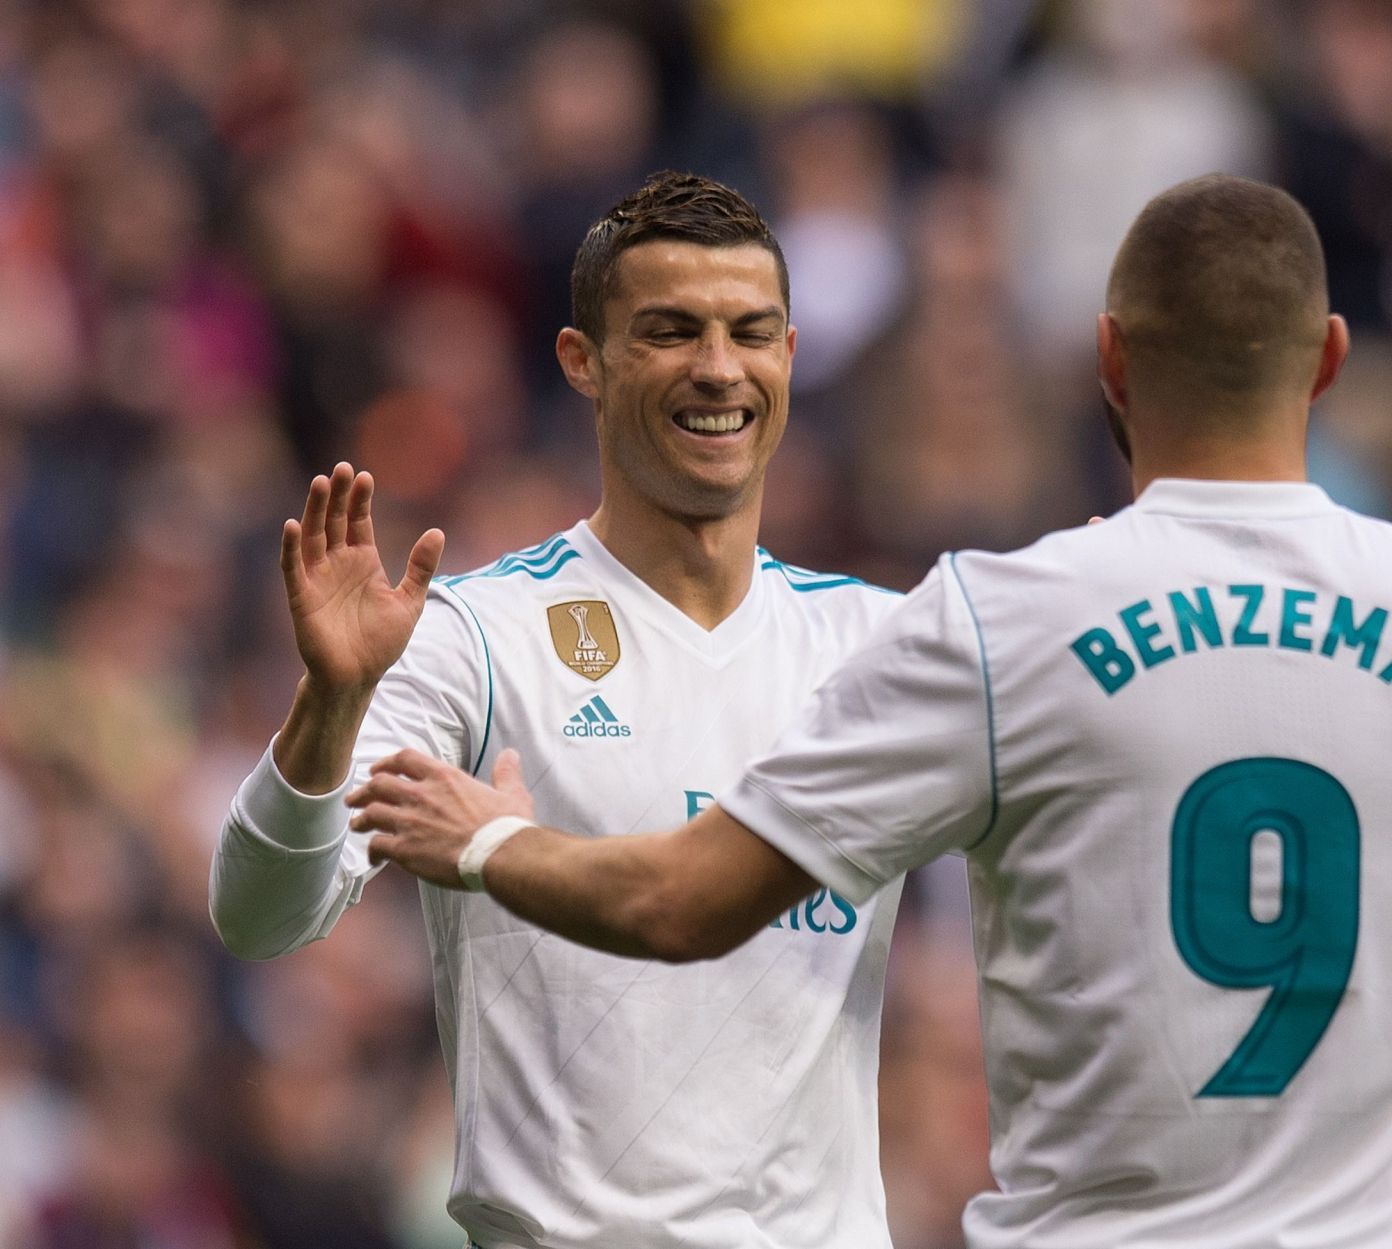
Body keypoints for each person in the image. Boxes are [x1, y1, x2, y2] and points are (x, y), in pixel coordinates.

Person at [346, 174, 1392, 1248]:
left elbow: (683, 903)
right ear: (1327, 361)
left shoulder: (1003, 625)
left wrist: (488, 843)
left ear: (1111, 363)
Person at [208, 172, 903, 1249]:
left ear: (791, 355)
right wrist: (329, 704)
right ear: (584, 361)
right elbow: (262, 918)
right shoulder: (477, 639)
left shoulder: (881, 649)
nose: (719, 368)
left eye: (749, 332)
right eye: (671, 331)